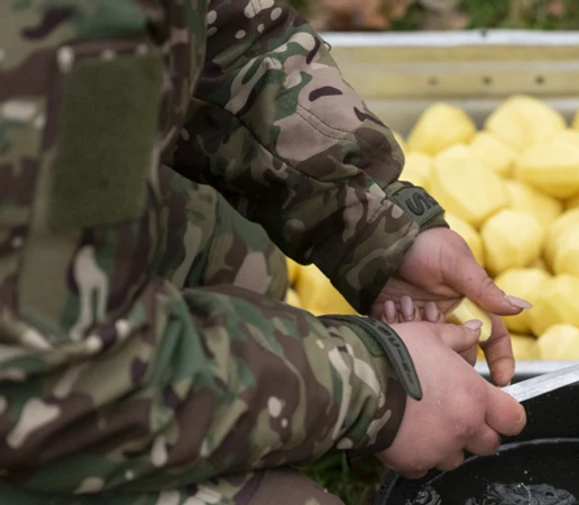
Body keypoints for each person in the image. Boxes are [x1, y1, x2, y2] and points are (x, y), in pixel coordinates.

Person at [0, 1, 530, 503]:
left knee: (233, 260)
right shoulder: (62, 31)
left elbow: (228, 31)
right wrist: (377, 387)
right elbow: (57, 377)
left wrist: (374, 226)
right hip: (35, 381)